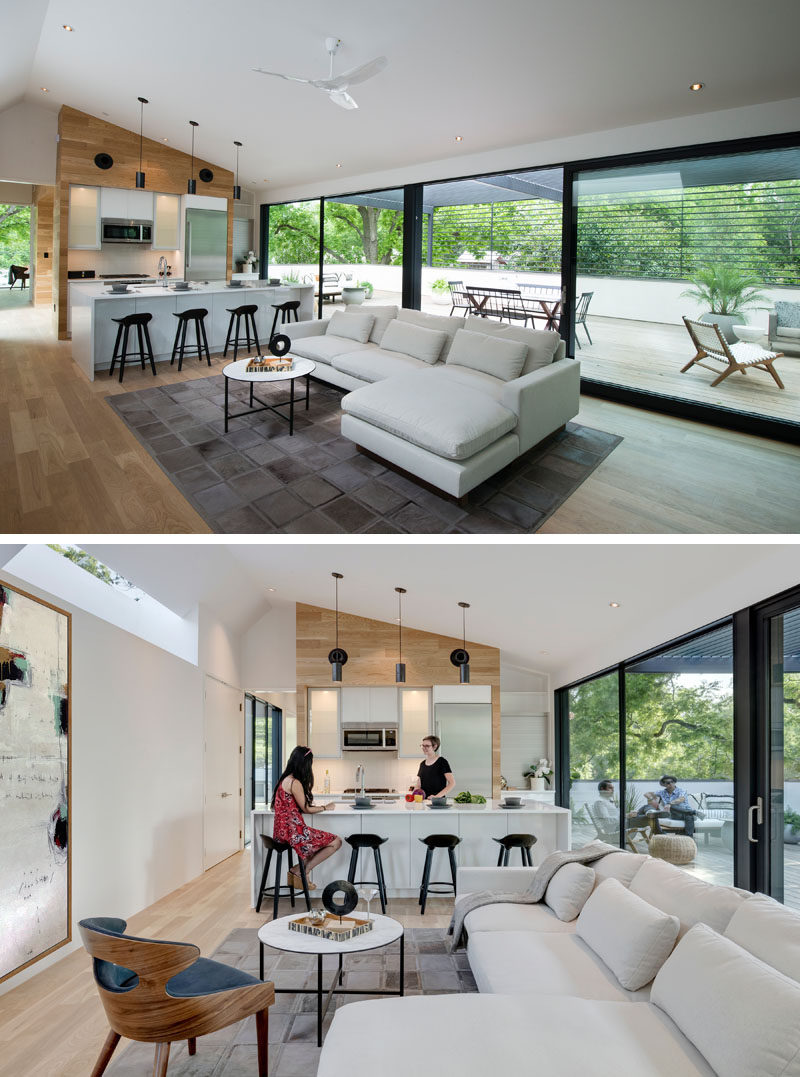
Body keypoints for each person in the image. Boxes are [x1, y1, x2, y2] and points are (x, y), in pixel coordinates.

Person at [272, 746, 341, 890]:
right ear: (304, 764)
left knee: (317, 846)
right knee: (336, 842)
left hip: (281, 833)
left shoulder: (284, 779)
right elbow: (307, 809)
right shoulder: (294, 782)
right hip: (294, 833)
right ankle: (304, 871)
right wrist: (326, 807)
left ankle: (297, 870)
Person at [412, 735, 455, 801]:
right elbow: (418, 785)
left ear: (435, 747)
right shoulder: (422, 764)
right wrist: (414, 794)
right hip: (424, 802)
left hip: (438, 802)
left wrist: (436, 797)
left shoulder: (442, 762)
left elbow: (452, 783)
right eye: (423, 745)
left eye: (427, 746)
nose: (424, 748)